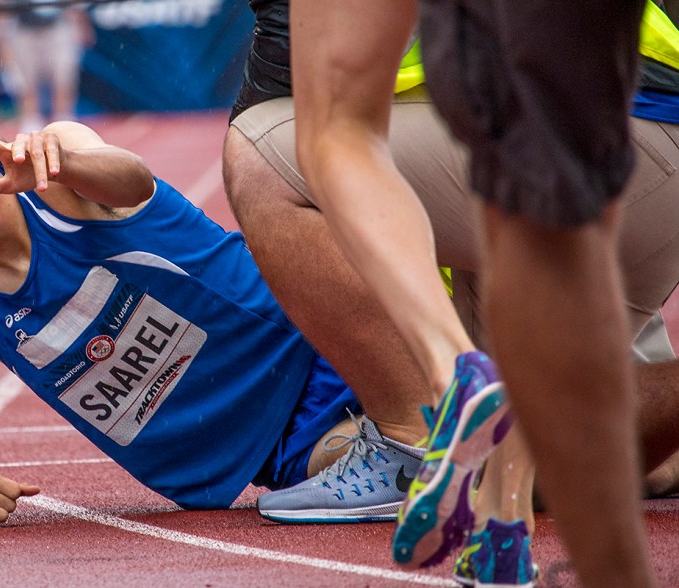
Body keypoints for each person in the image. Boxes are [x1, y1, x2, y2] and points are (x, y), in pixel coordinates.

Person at [0, 67, 433, 527]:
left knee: (452, 428)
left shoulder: (59, 163)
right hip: (276, 445)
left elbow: (132, 178)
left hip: (320, 334)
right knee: (461, 473)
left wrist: (66, 165)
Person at [223, 0, 679, 585]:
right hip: (625, 145)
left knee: (317, 139)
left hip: (591, 135)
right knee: (539, 214)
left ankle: (449, 382)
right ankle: (503, 532)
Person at [0, 2, 94, 132]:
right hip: (23, 27)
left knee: (63, 75)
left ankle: (64, 121)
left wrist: (81, 22)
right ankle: (31, 121)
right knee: (25, 81)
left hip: (58, 26)